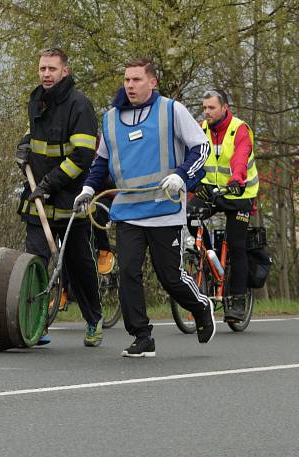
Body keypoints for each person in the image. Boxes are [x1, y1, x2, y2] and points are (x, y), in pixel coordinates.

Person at [74, 58, 215, 358]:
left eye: (137, 80)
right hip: (127, 211)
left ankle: (200, 307)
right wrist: (88, 187)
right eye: (127, 80)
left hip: (164, 209)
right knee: (128, 273)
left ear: (152, 82)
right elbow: (101, 161)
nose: (130, 85)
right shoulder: (109, 119)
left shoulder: (171, 110)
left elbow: (201, 148)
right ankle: (141, 336)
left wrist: (182, 176)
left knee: (170, 277)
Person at [15, 47, 103, 347]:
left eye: (52, 69)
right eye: (42, 69)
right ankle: (36, 324)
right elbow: (35, 134)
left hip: (69, 201)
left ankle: (94, 319)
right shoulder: (36, 99)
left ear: (64, 71)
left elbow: (82, 156)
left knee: (78, 265)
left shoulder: (80, 106)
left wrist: (50, 183)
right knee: (34, 263)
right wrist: (23, 146)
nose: (46, 74)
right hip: (38, 199)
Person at [191, 89, 259, 322]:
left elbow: (240, 157)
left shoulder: (239, 129)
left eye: (211, 108)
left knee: (237, 244)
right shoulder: (201, 129)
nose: (206, 112)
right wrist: (191, 181)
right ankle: (209, 257)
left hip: (239, 193)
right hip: (211, 190)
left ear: (224, 108)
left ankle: (238, 300)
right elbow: (192, 157)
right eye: (204, 107)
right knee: (189, 217)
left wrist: (236, 181)